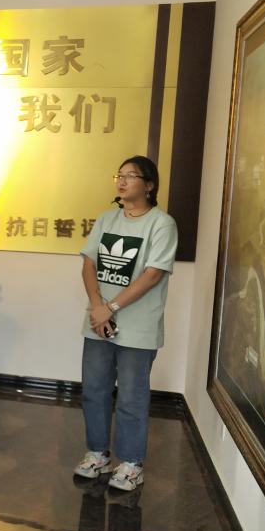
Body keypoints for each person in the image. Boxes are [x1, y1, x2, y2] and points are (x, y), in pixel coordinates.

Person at [75, 155, 178, 491]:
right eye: (119, 175)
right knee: (94, 390)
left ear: (149, 185)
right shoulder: (107, 219)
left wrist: (112, 307)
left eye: (131, 176)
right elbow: (89, 264)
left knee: (132, 397)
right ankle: (97, 454)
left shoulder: (162, 224)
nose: (122, 181)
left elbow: (153, 274)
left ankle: (132, 464)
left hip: (138, 327)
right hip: (98, 321)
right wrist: (97, 307)